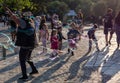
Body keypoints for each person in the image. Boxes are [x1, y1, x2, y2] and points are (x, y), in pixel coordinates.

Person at [5, 7, 38, 80]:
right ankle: (34, 70)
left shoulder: (22, 22)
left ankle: (24, 76)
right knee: (28, 58)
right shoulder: (31, 22)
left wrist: (9, 10)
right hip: (31, 44)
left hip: (25, 45)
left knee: (22, 60)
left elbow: (14, 17)